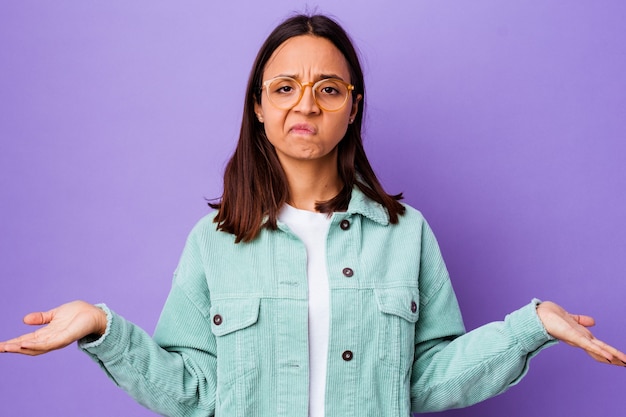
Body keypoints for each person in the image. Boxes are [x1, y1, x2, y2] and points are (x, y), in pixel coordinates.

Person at [1, 13, 624, 417]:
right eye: (284, 87)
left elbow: (427, 379)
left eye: (329, 88)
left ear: (352, 109)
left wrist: (530, 326)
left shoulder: (406, 234)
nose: (307, 103)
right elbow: (193, 392)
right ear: (258, 108)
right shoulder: (214, 241)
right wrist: (100, 328)